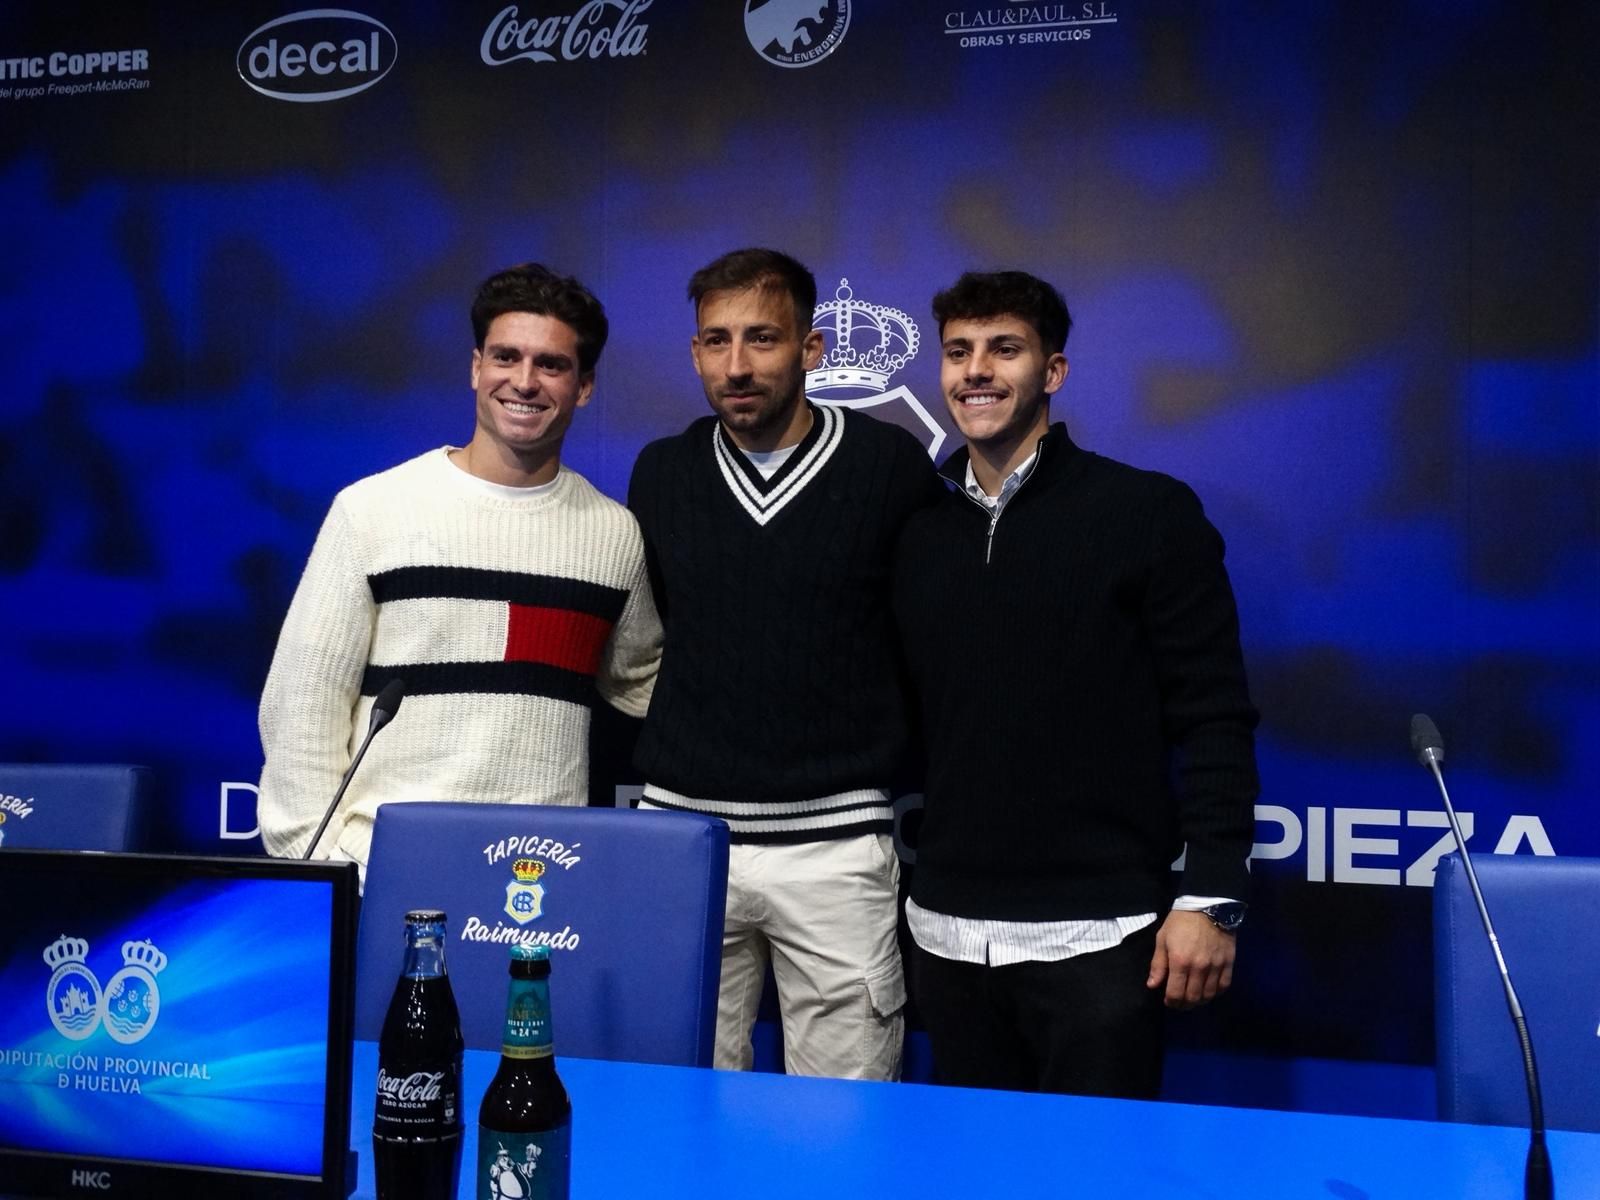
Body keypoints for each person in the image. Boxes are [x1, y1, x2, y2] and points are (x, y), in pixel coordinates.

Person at [891, 270, 1259, 1099]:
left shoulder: (1147, 514)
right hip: (945, 935)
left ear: (1052, 370)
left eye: (1004, 349)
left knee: (1098, 1167)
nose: (976, 370)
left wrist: (1211, 897)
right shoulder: (914, 529)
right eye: (958, 351)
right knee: (969, 1164)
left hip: (1102, 939)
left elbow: (1215, 718)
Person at [626, 247, 941, 1079]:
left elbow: (930, 643)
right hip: (683, 840)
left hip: (835, 846)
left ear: (811, 348)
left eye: (761, 338)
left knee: (841, 1120)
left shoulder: (888, 466)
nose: (737, 365)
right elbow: (642, 642)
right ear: (695, 351)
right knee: (677, 1103)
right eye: (716, 340)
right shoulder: (661, 473)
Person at [257, 262, 660, 874]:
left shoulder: (612, 536)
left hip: (540, 886)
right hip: (384, 878)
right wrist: (324, 869)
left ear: (584, 387)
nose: (524, 381)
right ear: (476, 368)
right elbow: (301, 703)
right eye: (506, 357)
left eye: (551, 365)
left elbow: (644, 684)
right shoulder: (371, 511)